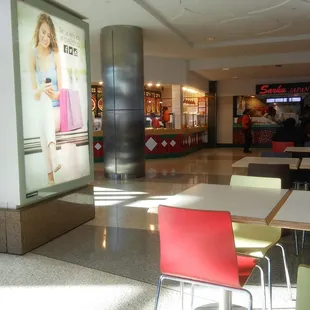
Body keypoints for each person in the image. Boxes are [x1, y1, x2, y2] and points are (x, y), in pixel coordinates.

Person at [29, 13, 62, 186]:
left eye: (49, 35)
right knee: (42, 104)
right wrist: (42, 89)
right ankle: (53, 162)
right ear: (38, 31)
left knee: (46, 105)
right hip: (44, 110)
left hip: (57, 110)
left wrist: (54, 94)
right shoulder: (32, 55)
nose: (46, 37)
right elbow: (34, 93)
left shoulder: (55, 54)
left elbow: (61, 92)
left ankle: (50, 175)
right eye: (43, 33)